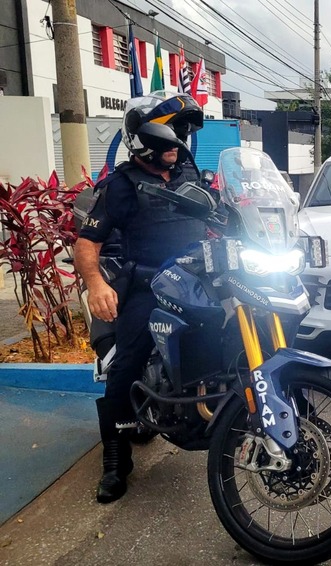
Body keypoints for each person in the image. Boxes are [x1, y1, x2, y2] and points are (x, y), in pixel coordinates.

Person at [74, 92, 206, 504]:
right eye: (171, 135)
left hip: (198, 279)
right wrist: (97, 285)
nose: (179, 143)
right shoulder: (121, 186)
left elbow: (221, 214)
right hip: (150, 284)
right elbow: (86, 242)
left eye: (181, 133)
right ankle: (115, 460)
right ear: (144, 140)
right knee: (127, 363)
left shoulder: (190, 173)